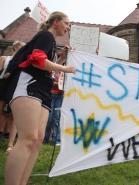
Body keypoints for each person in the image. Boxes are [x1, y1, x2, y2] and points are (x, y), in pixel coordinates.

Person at [4, 12, 75, 185]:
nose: (68, 27)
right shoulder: (46, 36)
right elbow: (37, 61)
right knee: (28, 139)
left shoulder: (50, 42)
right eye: (66, 23)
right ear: (56, 22)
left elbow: (48, 63)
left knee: (37, 140)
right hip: (30, 84)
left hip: (43, 90)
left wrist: (62, 58)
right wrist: (66, 68)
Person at [0, 41, 26, 154]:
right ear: (15, 48)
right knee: (1, 111)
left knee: (12, 113)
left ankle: (9, 138)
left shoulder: (23, 61)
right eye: (21, 47)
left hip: (15, 86)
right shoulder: (5, 58)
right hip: (3, 85)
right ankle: (1, 132)